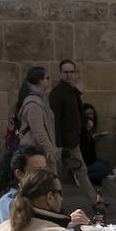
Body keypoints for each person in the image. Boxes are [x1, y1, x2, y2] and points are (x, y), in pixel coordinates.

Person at [49, 59, 97, 205]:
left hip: (71, 141)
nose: (69, 75)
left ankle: (95, 202)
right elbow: (56, 120)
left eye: (71, 72)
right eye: (66, 72)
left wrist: (86, 122)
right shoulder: (57, 93)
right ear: (60, 73)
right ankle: (95, 203)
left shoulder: (72, 91)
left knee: (77, 172)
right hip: (64, 143)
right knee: (56, 176)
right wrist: (58, 144)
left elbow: (78, 112)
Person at [15, 67, 59, 174]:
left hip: (38, 150)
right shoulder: (33, 104)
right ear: (40, 81)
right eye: (47, 78)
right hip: (35, 151)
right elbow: (39, 132)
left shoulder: (39, 100)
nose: (49, 80)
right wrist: (50, 151)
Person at [79, 104, 112, 187]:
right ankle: (81, 178)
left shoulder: (89, 130)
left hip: (90, 160)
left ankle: (86, 177)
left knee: (107, 164)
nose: (91, 116)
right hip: (85, 162)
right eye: (88, 114)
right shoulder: (81, 129)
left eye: (92, 114)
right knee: (106, 170)